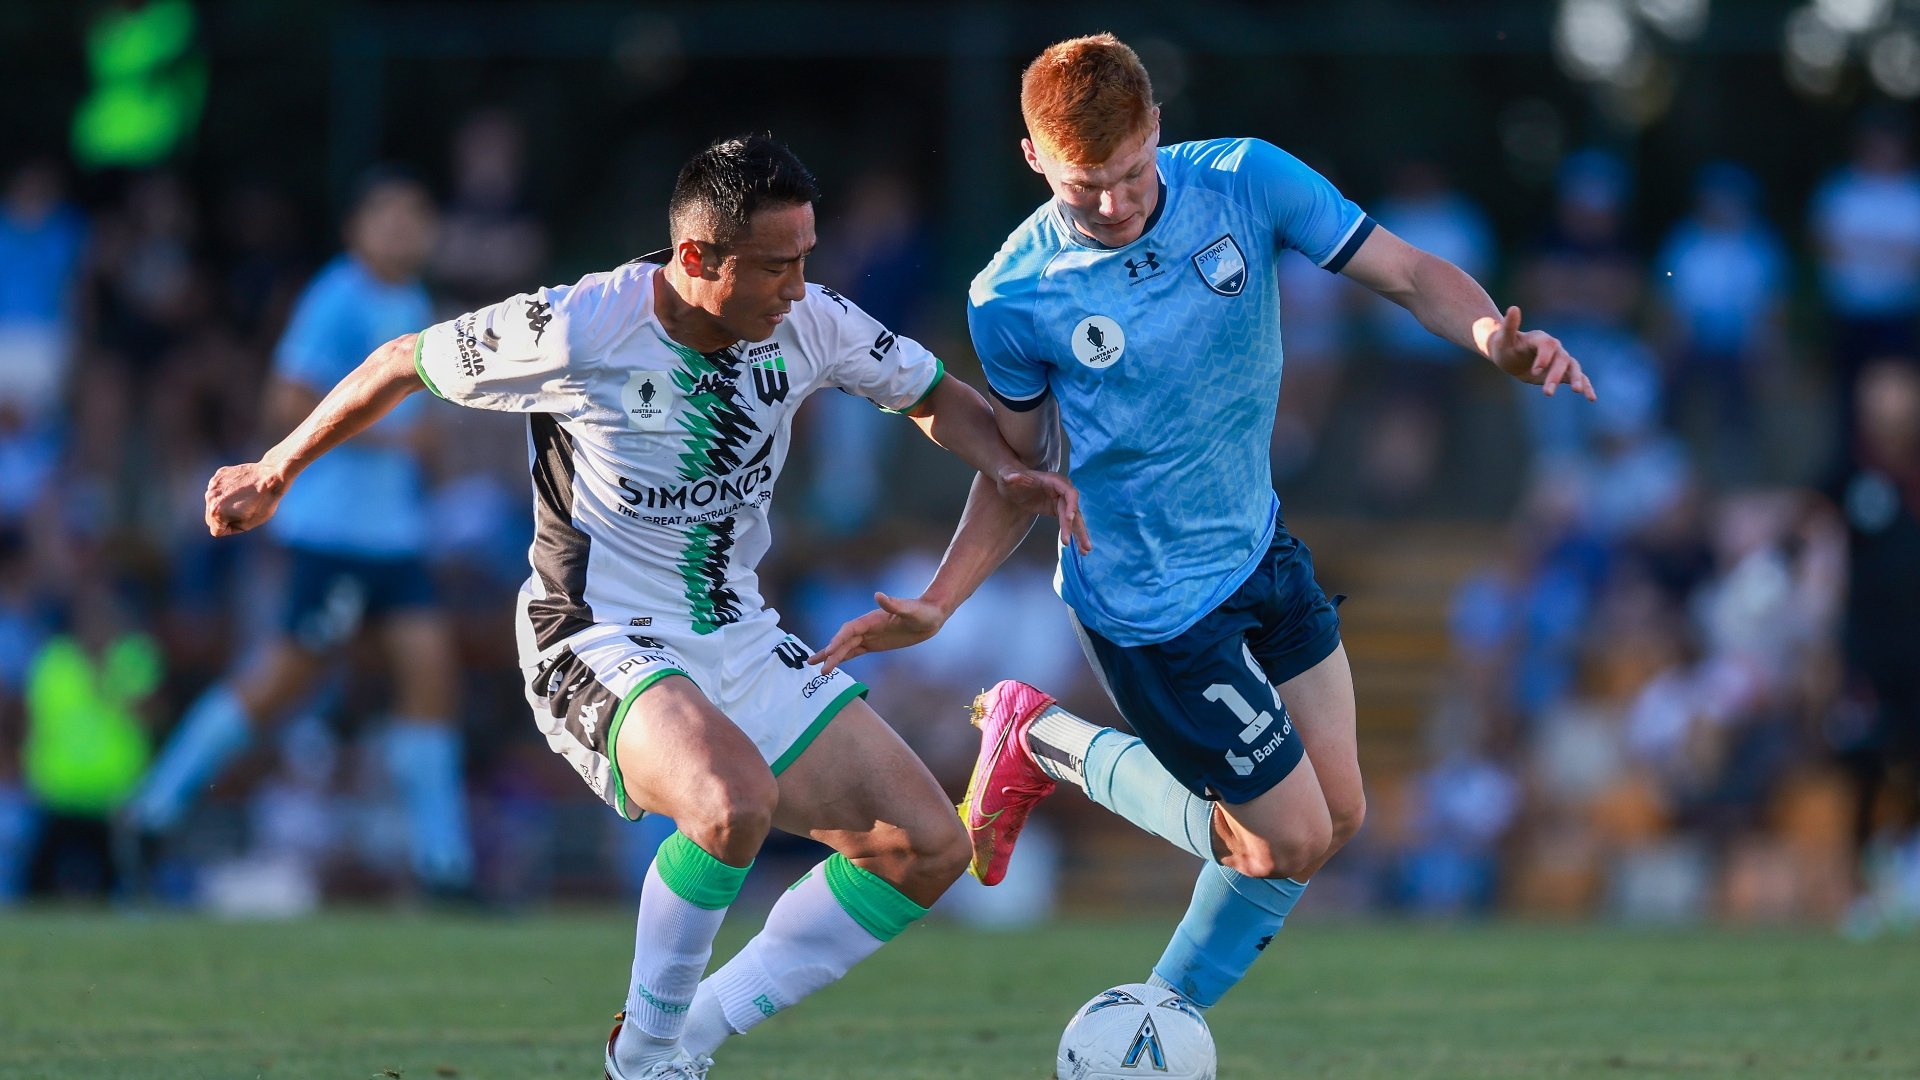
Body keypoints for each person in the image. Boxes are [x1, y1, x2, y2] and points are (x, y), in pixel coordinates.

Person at [197, 134, 1085, 1080]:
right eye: (778, 267)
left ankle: (682, 1038)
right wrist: (278, 464)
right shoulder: (581, 325)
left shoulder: (811, 319)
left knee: (926, 847)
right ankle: (652, 1060)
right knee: (729, 801)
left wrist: (1005, 467)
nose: (798, 287)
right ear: (698, 258)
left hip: (736, 632)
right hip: (590, 634)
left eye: (806, 260)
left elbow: (931, 394)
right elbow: (403, 360)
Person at [812, 33, 1594, 1018]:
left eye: (1132, 172)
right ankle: (1143, 998)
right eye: (1083, 185)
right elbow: (1019, 472)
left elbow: (1403, 272)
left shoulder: (1245, 179)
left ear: (1157, 131)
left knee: (1339, 813)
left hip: (1256, 547)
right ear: (1033, 161)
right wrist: (938, 601)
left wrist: (1490, 336)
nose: (1115, 204)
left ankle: (1042, 757)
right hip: (1149, 608)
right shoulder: (1013, 296)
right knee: (1290, 841)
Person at [122, 170, 477, 897]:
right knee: (282, 682)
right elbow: (285, 397)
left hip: (395, 538)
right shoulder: (337, 296)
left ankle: (445, 866)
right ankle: (153, 810)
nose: (405, 230)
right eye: (390, 216)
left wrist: (426, 464)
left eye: (416, 216)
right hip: (336, 535)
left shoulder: (410, 301)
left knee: (430, 670)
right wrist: (397, 440)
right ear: (357, 229)